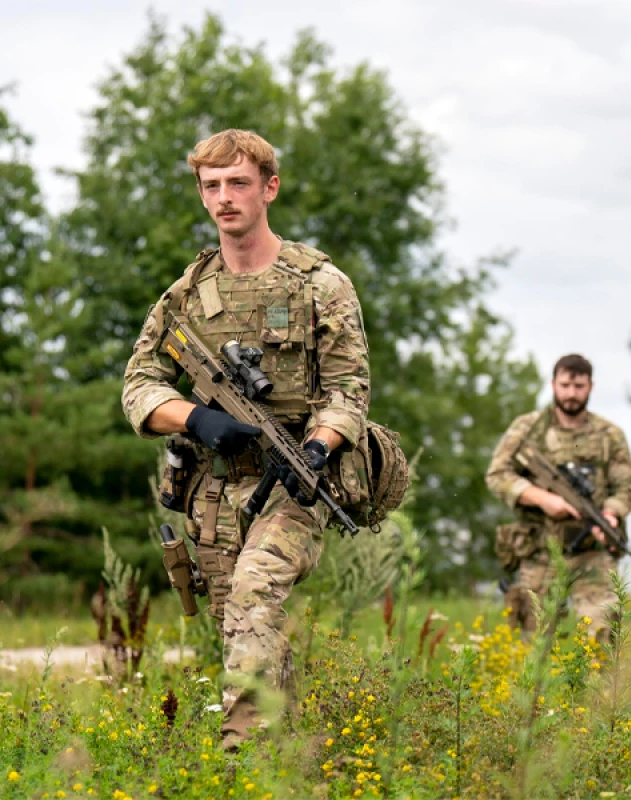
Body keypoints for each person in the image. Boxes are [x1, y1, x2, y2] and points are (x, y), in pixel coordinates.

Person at [121, 129, 370, 750]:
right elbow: (139, 384)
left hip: (294, 484)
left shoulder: (319, 285)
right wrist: (195, 419)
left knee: (256, 590)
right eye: (212, 186)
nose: (224, 198)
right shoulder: (186, 294)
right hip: (213, 492)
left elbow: (349, 389)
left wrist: (318, 445)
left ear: (269, 188)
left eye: (238, 183)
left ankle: (240, 754)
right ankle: (287, 761)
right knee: (244, 624)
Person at [485, 353, 631, 644]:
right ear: (553, 384)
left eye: (579, 386)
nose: (571, 394)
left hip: (592, 553)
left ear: (590, 387)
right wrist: (541, 498)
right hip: (541, 551)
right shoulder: (528, 429)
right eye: (565, 385)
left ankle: (598, 677)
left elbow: (625, 488)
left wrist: (610, 515)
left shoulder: (610, 435)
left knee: (602, 635)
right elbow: (497, 475)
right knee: (534, 645)